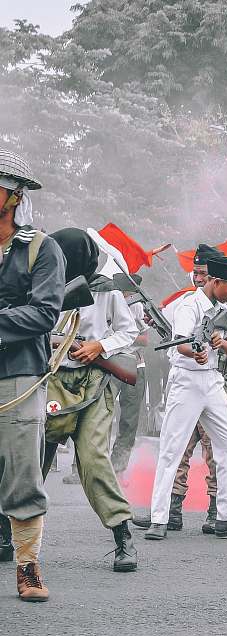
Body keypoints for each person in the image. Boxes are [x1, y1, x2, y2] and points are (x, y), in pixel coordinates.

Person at [143, 255, 227, 540]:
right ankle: (159, 519)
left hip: (212, 381)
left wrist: (221, 343)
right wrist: (195, 351)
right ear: (216, 281)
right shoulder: (189, 305)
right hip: (186, 380)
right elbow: (181, 343)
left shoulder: (222, 308)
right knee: (172, 449)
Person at [40, 228, 139, 573]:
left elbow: (128, 330)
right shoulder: (43, 282)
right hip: (51, 379)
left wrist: (101, 347)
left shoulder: (106, 288)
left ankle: (123, 537)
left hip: (94, 382)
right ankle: (9, 535)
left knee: (95, 459)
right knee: (32, 461)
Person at [0, 148, 65, 601]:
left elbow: (44, 313)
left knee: (23, 470)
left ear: (13, 196)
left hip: (19, 372)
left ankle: (27, 566)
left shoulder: (40, 248)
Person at [111, 272, 151, 475]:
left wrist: (120, 337)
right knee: (98, 415)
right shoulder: (105, 302)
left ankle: (118, 465)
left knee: (129, 419)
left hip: (134, 364)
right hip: (108, 363)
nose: (127, 297)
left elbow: (145, 339)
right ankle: (90, 465)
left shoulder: (137, 306)